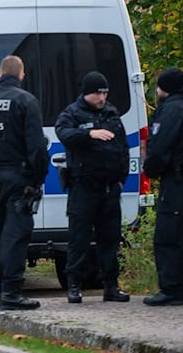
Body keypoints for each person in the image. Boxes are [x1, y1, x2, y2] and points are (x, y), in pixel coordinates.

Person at [0, 55, 49, 310]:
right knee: (16, 235)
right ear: (22, 75)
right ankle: (12, 294)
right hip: (20, 177)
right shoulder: (26, 101)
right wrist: (36, 178)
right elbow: (37, 148)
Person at [55, 71, 131, 304]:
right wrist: (89, 133)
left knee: (110, 239)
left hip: (109, 188)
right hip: (84, 187)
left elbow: (123, 147)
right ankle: (74, 286)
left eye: (105, 92)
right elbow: (64, 134)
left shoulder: (112, 113)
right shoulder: (72, 113)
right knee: (79, 239)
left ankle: (111, 285)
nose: (102, 97)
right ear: (87, 93)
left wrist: (121, 178)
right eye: (98, 93)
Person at [143, 67, 183, 306]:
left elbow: (159, 148)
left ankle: (171, 289)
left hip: (175, 180)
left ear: (164, 88)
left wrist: (151, 170)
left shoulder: (169, 112)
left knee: (168, 235)